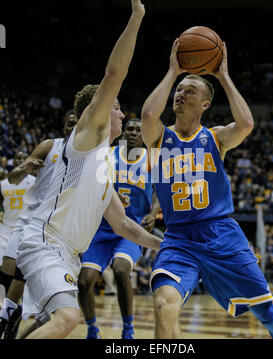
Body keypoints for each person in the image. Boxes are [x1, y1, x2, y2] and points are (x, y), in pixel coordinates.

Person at [16, 0, 161, 339]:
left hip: (68, 252)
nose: (123, 116)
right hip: (45, 241)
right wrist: (137, 17)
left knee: (45, 322)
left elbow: (125, 224)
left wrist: (166, 245)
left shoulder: (104, 164)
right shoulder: (88, 139)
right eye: (118, 108)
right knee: (67, 319)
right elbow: (115, 74)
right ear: (97, 112)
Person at [141, 39, 273, 339]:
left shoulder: (215, 137)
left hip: (220, 232)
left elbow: (246, 123)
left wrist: (223, 76)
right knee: (163, 303)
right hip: (178, 238)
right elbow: (149, 115)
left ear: (205, 104)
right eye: (179, 89)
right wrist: (173, 71)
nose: (181, 94)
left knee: (265, 312)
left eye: (191, 91)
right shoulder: (160, 138)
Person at [78, 118, 161, 339]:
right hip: (102, 227)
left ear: (144, 135)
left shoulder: (152, 159)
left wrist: (153, 213)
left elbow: (160, 190)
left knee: (121, 269)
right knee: (84, 282)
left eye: (138, 130)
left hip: (132, 229)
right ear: (123, 133)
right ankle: (92, 329)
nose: (133, 132)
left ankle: (128, 329)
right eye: (129, 129)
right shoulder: (108, 154)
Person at [0, 110, 78, 339]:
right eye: (69, 124)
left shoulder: (85, 156)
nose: (73, 128)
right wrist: (26, 167)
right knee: (9, 267)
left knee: (25, 273)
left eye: (77, 124)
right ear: (64, 127)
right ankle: (11, 311)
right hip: (30, 218)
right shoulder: (49, 145)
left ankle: (10, 315)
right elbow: (13, 178)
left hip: (57, 226)